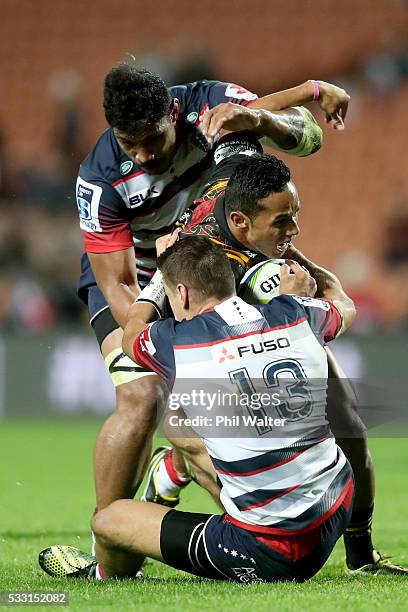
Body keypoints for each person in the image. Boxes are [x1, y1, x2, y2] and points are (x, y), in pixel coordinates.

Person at [75, 60, 350, 514]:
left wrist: (300, 97)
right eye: (130, 144)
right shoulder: (100, 179)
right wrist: (175, 354)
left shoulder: (205, 105)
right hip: (143, 280)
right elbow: (119, 284)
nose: (144, 155)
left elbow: (299, 136)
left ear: (174, 114)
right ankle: (108, 537)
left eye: (153, 139)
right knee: (142, 398)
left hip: (213, 271)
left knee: (243, 397)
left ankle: (188, 481)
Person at [141, 152, 408, 575]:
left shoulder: (238, 177)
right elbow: (182, 316)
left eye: (294, 216)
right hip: (214, 343)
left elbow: (234, 125)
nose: (294, 230)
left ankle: (361, 554)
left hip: (278, 324)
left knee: (351, 428)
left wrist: (284, 106)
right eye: (283, 222)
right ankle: (231, 524)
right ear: (241, 223)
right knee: (216, 446)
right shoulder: (201, 253)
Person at [39, 236, 356, 582]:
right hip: (337, 503)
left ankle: (104, 574)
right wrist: (295, 260)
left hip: (273, 551)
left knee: (108, 521)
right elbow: (343, 301)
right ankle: (172, 473)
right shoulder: (295, 312)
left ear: (183, 294)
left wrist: (160, 278)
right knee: (187, 422)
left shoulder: (180, 341)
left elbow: (131, 334)